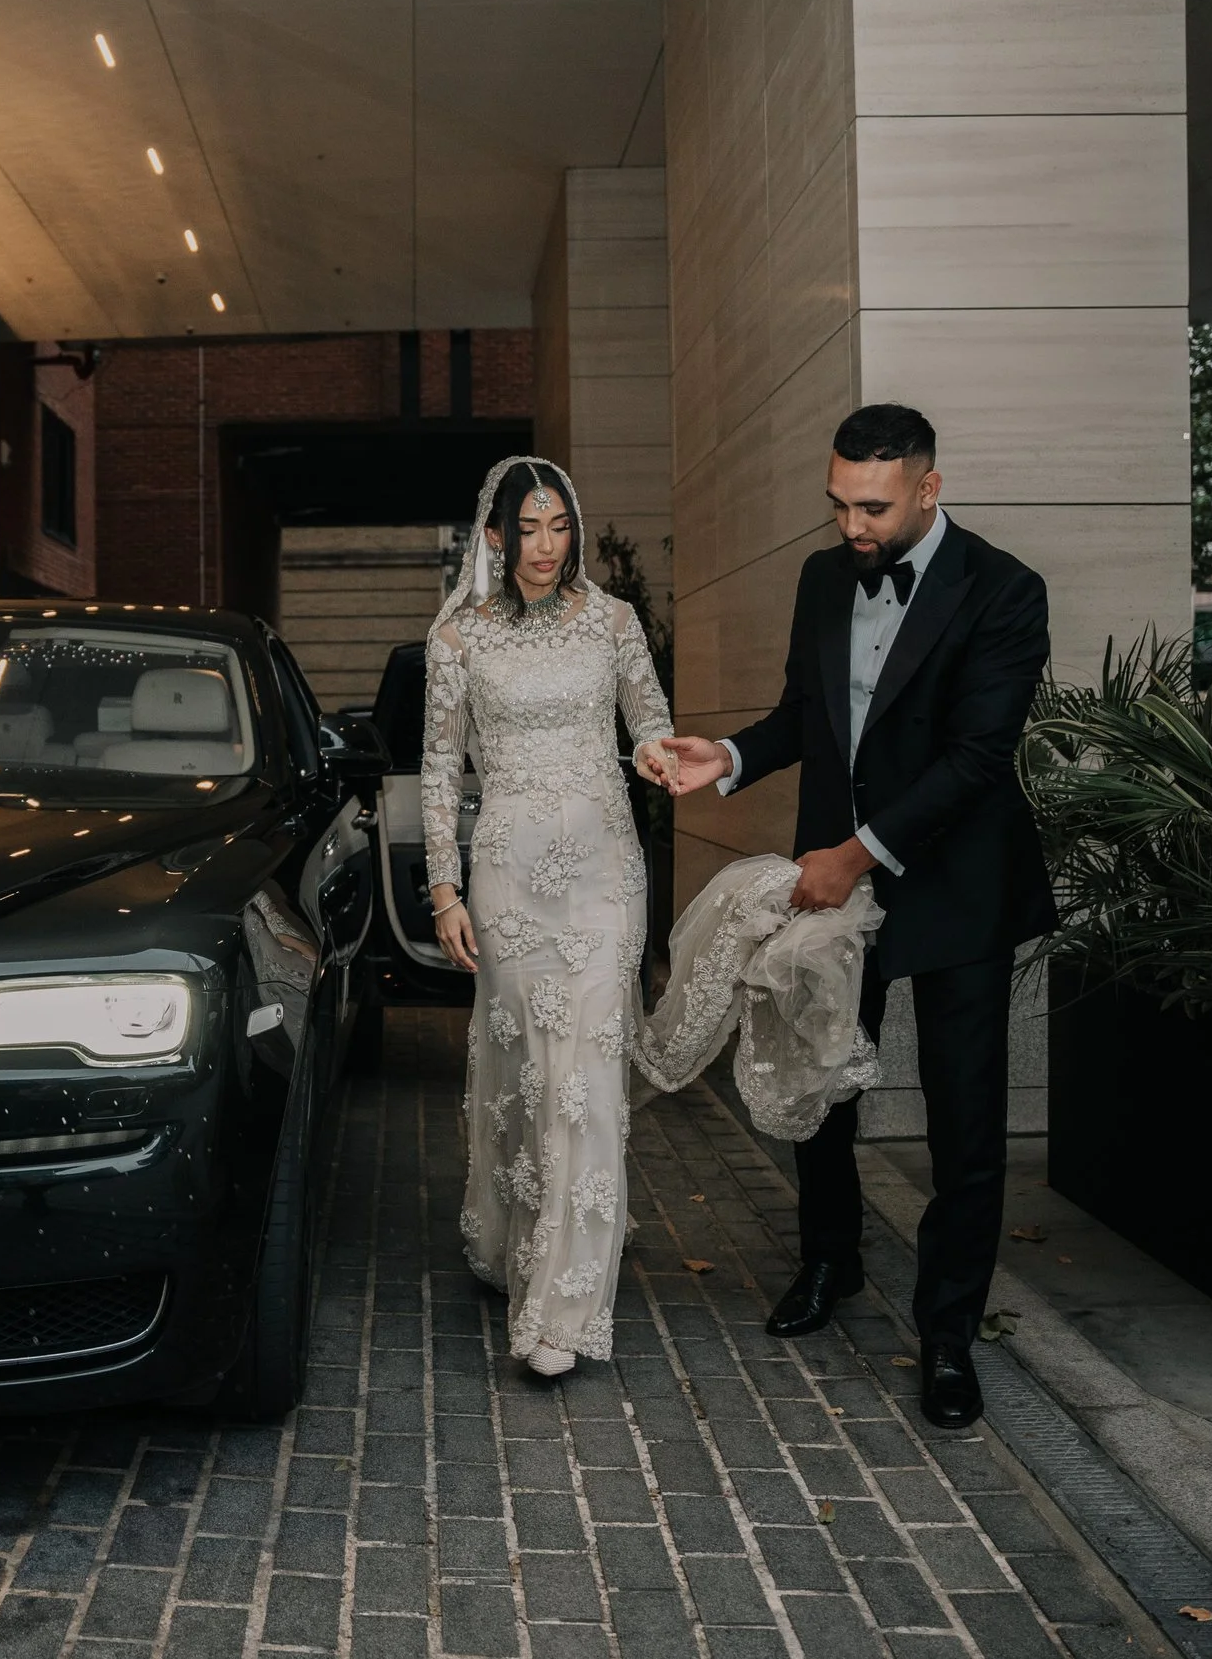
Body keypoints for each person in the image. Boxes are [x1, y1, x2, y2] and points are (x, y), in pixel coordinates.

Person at [660, 404, 1055, 1428]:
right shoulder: (822, 576)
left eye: (871, 507)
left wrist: (854, 855)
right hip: (840, 873)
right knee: (822, 1077)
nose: (852, 528)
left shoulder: (1004, 588)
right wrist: (732, 757)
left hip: (952, 878)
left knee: (964, 1119)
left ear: (927, 487)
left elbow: (978, 757)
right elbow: (808, 713)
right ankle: (829, 1262)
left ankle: (948, 1335)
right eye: (837, 505)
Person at [422, 456, 691, 1378]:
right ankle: (510, 1241)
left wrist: (658, 755)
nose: (544, 548)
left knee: (584, 1075)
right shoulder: (458, 642)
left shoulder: (613, 623)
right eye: (526, 529)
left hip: (606, 870)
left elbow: (648, 718)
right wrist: (444, 889)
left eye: (559, 527)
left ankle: (564, 1311)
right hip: (507, 875)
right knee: (525, 1065)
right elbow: (438, 772)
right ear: (493, 535)